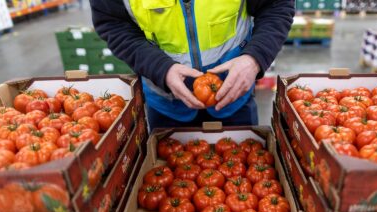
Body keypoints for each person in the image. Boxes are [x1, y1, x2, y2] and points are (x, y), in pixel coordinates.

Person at [89, 0, 295, 128]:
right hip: (165, 104)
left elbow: (276, 5)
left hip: (235, 97)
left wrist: (254, 59)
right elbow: (113, 24)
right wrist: (159, 67)